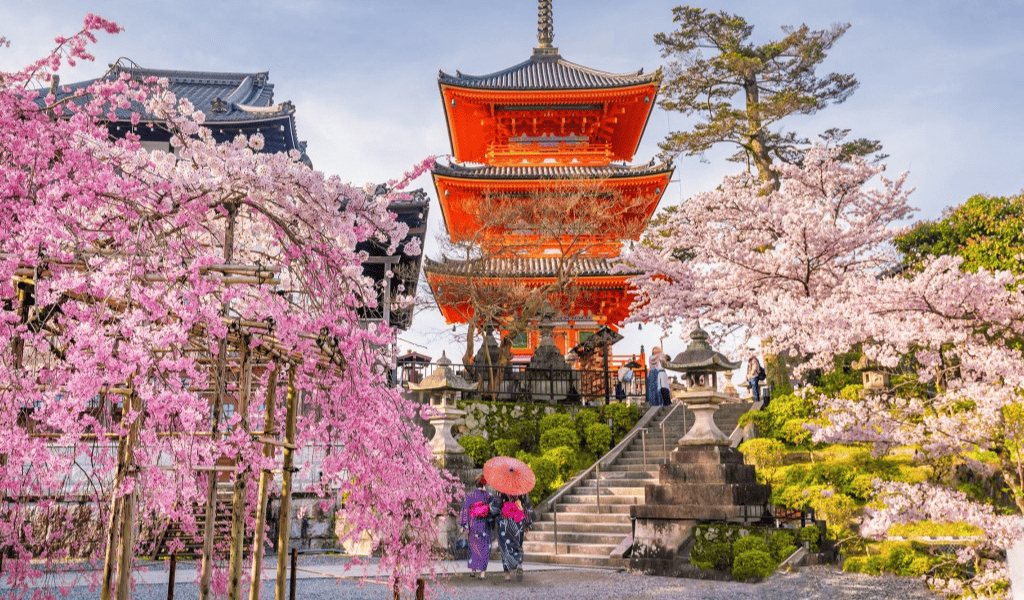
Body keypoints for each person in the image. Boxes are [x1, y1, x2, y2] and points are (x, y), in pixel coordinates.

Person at [490, 491, 534, 581]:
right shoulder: (521, 491)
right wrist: (527, 523)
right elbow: (527, 507)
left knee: (505, 547)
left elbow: (494, 508)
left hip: (505, 522)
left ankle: (507, 575)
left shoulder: (501, 490)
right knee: (517, 545)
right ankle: (518, 564)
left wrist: (497, 519)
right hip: (518, 521)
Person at [457, 475, 494, 579]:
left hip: (473, 524)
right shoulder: (489, 496)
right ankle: (482, 573)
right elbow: (493, 509)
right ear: (484, 485)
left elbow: (465, 510)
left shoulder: (470, 496)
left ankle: (473, 571)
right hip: (484, 524)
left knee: (474, 547)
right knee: (485, 547)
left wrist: (464, 525)